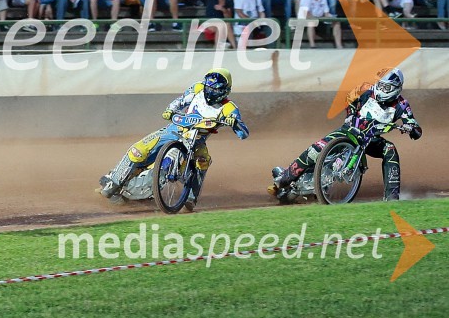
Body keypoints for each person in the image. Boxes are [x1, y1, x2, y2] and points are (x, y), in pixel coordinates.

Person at [99, 69, 249, 210]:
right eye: (208, 87)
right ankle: (114, 182)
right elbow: (181, 101)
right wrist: (170, 109)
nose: (209, 91)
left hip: (197, 140)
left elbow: (244, 133)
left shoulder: (229, 108)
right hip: (174, 130)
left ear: (224, 90)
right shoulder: (197, 88)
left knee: (203, 160)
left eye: (215, 89)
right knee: (139, 149)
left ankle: (191, 197)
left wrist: (234, 122)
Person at [270, 68, 422, 201]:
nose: (380, 88)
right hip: (349, 131)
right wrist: (350, 115)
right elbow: (349, 98)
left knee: (390, 149)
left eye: (385, 86)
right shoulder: (366, 90)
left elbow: (415, 127)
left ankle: (392, 197)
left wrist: (411, 128)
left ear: (396, 88)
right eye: (380, 84)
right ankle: (285, 176)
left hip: (372, 140)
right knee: (316, 149)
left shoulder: (402, 104)